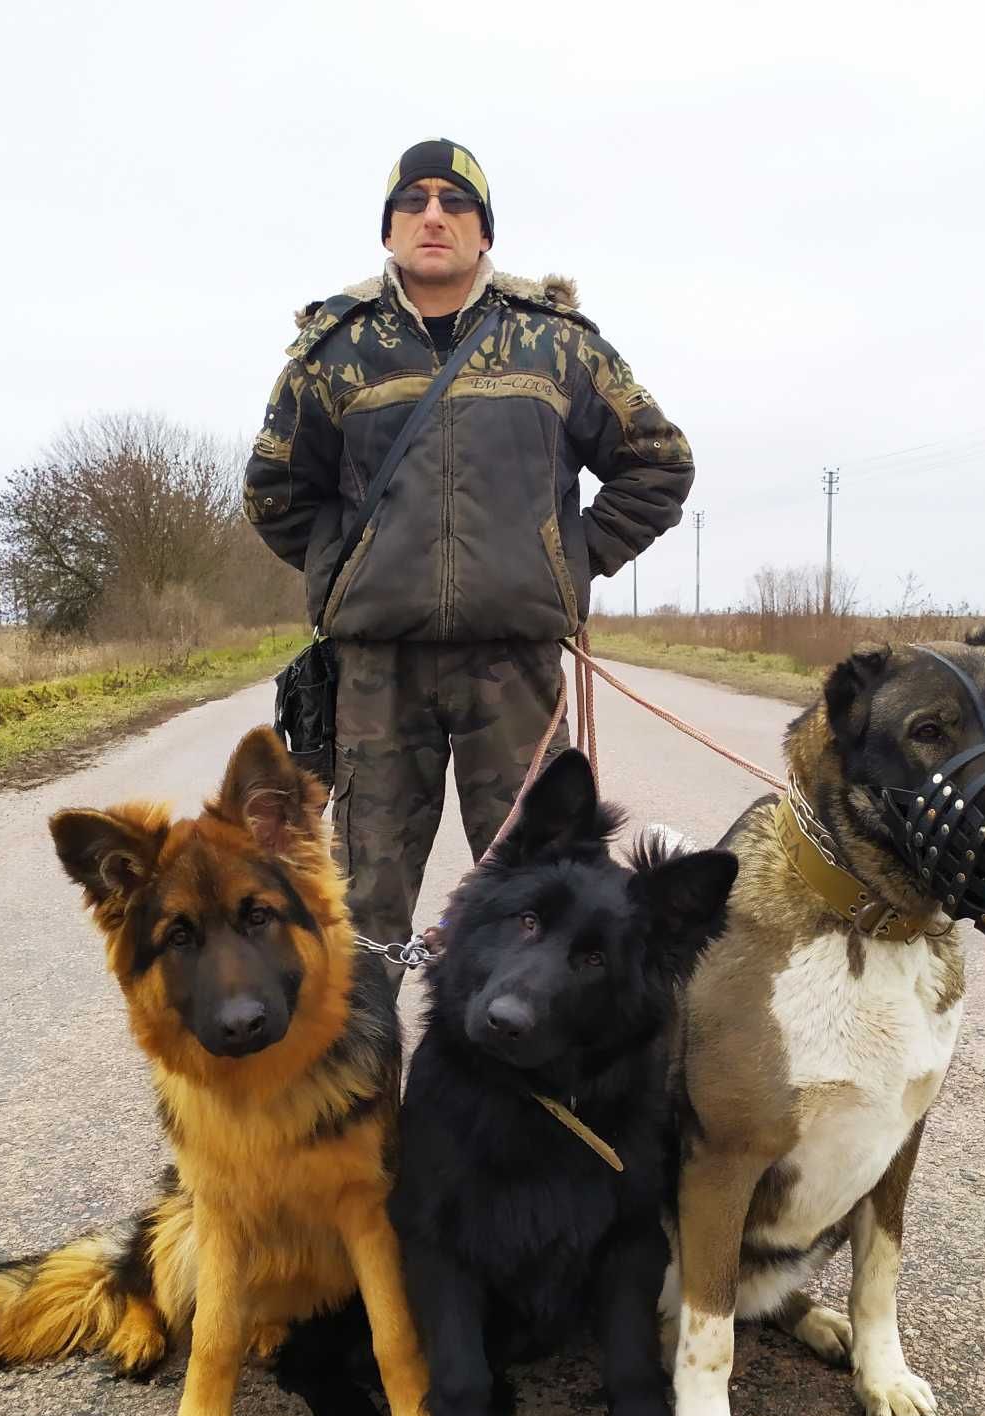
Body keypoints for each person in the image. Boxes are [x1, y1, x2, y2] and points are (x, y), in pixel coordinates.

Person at [244, 138, 693, 969]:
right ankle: (365, 1093)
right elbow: (275, 491)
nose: (433, 216)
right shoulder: (334, 352)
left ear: (485, 232)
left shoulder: (557, 347)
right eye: (412, 201)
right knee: (361, 910)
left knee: (543, 897)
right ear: (389, 229)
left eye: (456, 202)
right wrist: (352, 569)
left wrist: (572, 559)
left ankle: (537, 1095)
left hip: (513, 670)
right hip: (378, 673)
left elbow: (659, 464)